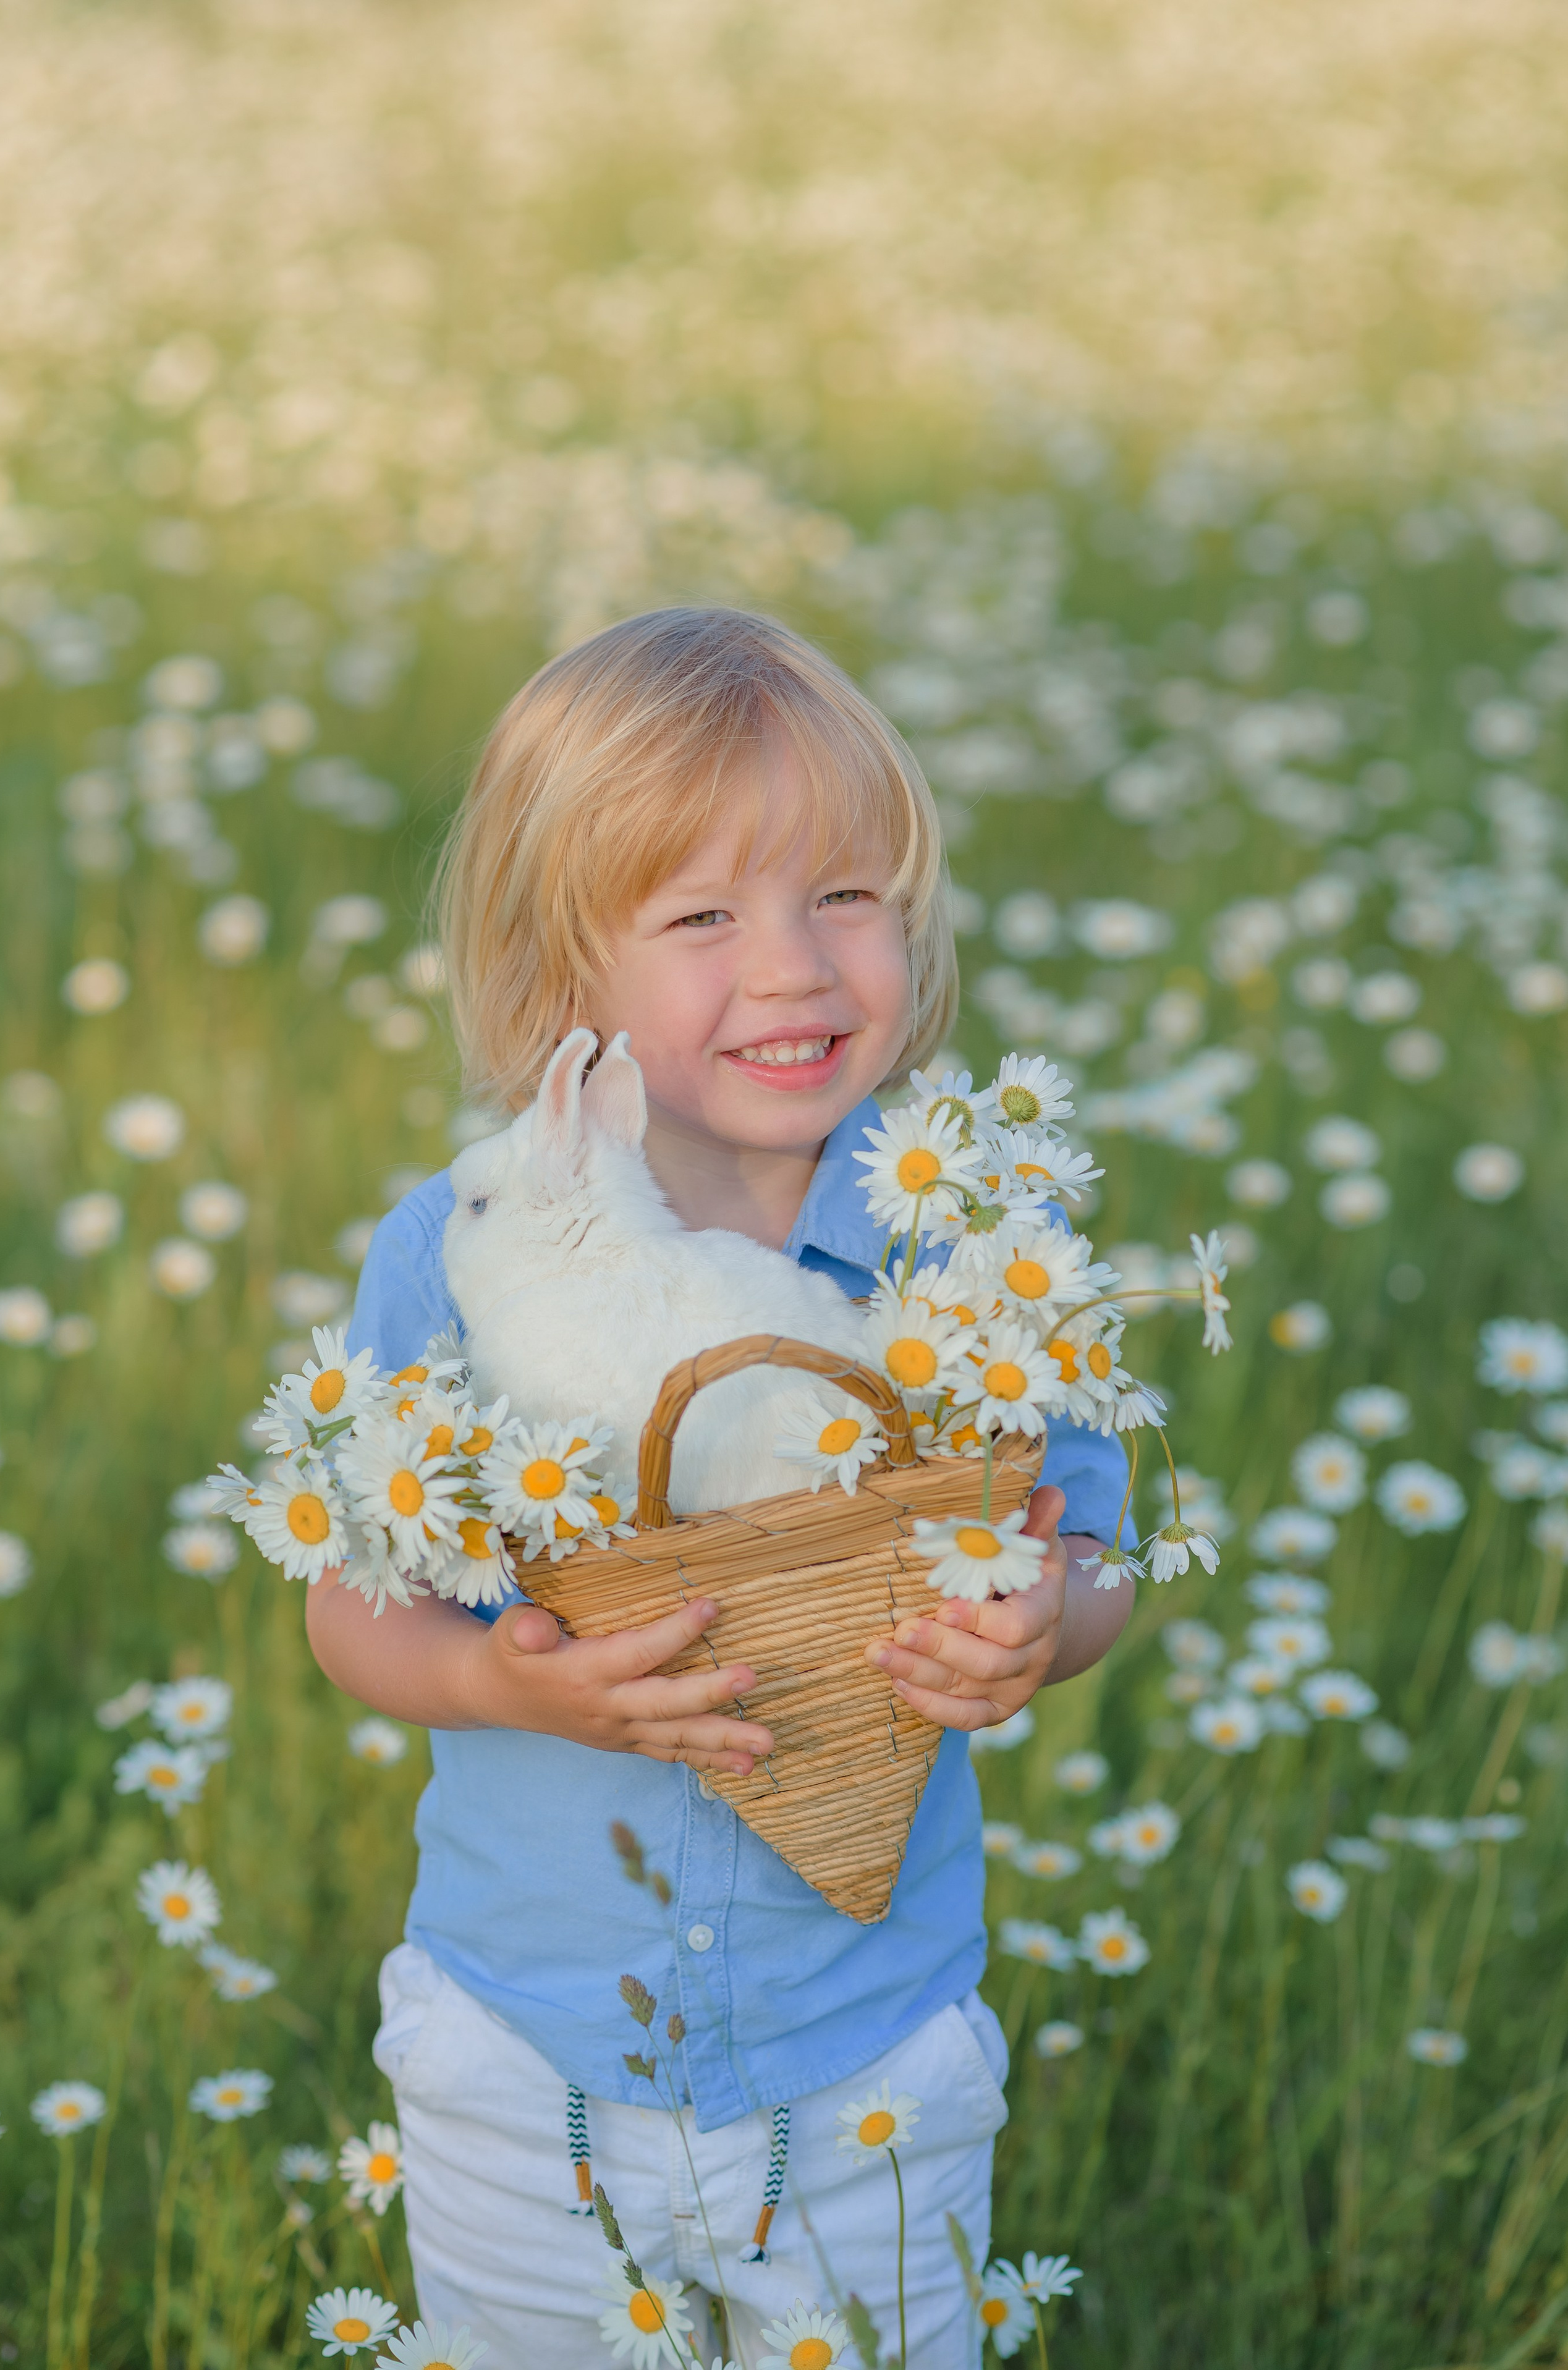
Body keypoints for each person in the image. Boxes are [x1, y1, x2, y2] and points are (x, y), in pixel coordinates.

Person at [305, 607, 1135, 2366]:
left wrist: (1044, 1628)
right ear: (562, 971)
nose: (796, 968)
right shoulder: (464, 1252)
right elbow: (354, 1600)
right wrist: (490, 1675)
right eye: (701, 915)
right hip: (530, 2063)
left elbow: (1098, 1547)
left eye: (849, 893)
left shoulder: (976, 1245)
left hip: (864, 2060)